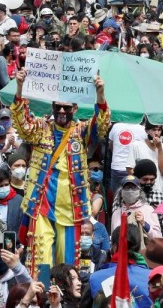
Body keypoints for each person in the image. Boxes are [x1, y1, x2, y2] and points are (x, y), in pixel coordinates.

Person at [11, 68, 109, 265]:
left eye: (66, 107)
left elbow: (101, 127)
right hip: (42, 201)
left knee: (67, 259)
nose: (62, 111)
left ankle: (65, 294)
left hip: (71, 205)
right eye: (57, 107)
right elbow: (22, 124)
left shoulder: (81, 131)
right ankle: (39, 293)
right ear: (52, 107)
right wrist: (20, 87)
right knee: (41, 257)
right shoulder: (41, 128)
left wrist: (100, 95)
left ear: (75, 109)